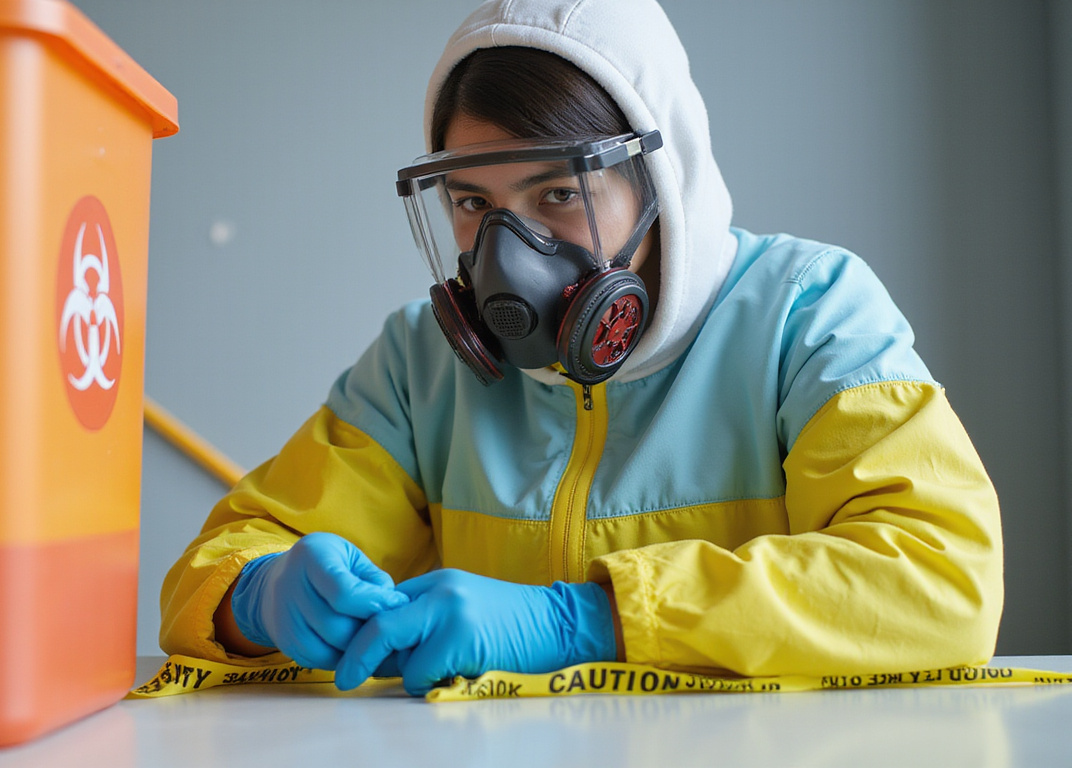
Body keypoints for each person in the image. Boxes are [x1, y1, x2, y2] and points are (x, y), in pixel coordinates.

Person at [159, 0, 1003, 697]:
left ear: (660, 184)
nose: (505, 254)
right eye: (469, 202)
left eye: (559, 192)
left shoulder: (809, 312)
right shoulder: (422, 365)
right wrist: (259, 596)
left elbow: (941, 580)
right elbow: (216, 564)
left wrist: (585, 621)